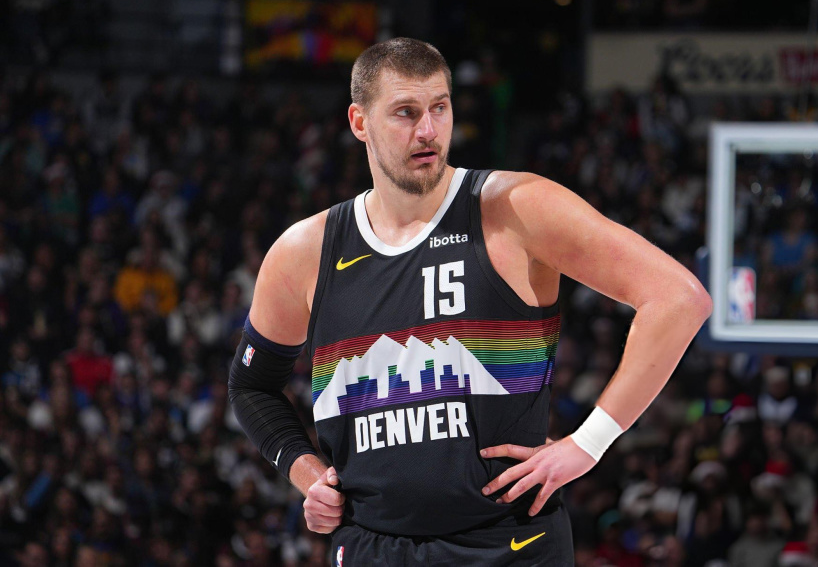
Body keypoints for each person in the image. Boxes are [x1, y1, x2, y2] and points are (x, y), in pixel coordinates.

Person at [227, 37, 712, 565]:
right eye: (406, 113)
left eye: (440, 107)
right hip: (371, 545)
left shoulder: (515, 208)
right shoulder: (305, 251)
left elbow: (678, 298)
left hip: (508, 543)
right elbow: (252, 385)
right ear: (359, 122)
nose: (428, 130)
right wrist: (308, 475)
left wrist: (588, 443)